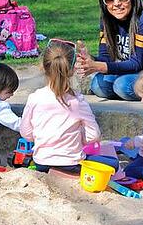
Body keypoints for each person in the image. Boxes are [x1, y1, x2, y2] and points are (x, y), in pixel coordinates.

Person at [20, 40, 101, 174]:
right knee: (112, 164)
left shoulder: (34, 98)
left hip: (42, 163)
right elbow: (93, 135)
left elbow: (26, 133)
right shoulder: (78, 101)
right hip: (71, 164)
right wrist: (78, 139)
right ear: (72, 70)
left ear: (43, 67)